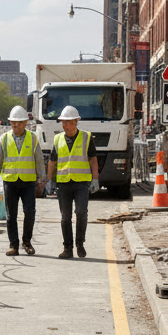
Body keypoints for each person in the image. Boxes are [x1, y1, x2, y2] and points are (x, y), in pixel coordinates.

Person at [0, 106, 45, 256]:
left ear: (26, 122)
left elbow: (39, 159)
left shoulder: (32, 138)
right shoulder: (5, 138)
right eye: (13, 123)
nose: (16, 125)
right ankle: (13, 245)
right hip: (10, 182)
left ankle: (26, 242)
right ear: (10, 123)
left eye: (19, 123)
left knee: (30, 212)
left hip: (28, 182)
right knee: (11, 215)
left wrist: (42, 178)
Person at [46, 105, 100, 259]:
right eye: (63, 122)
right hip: (63, 183)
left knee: (81, 213)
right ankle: (68, 248)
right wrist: (49, 180)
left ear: (76, 122)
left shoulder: (86, 137)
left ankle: (80, 244)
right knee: (65, 217)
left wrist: (95, 179)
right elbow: (52, 161)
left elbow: (93, 160)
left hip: (81, 183)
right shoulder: (57, 139)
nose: (66, 126)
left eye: (69, 122)